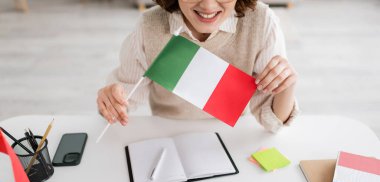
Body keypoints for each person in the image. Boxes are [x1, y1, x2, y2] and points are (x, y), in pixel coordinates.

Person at [97, 0, 299, 132]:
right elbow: (126, 99)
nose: (208, 6)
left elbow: (272, 122)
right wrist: (112, 100)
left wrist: (286, 86)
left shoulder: (262, 22)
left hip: (232, 136)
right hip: (168, 133)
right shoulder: (149, 26)